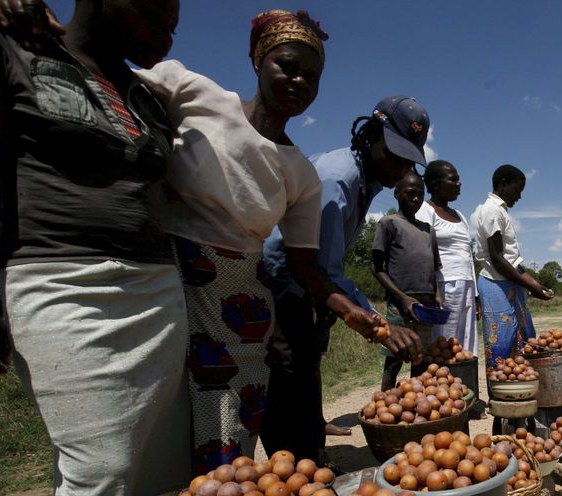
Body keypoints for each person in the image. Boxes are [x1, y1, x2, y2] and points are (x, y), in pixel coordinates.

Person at [0, 1, 187, 496]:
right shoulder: (4, 39)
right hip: (64, 281)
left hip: (154, 289)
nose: (168, 31)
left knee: (141, 466)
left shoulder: (141, 94)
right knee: (99, 468)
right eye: (156, 12)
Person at [130, 10, 384, 471]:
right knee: (147, 436)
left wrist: (355, 314)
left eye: (312, 75)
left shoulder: (300, 173)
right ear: (257, 60)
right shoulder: (195, 94)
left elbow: (306, 267)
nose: (298, 81)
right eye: (286, 65)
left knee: (227, 445)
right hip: (166, 288)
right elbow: (107, 80)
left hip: (241, 312)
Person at [261, 96, 431, 462]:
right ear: (371, 137)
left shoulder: (366, 181)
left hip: (311, 287)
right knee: (288, 378)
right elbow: (318, 266)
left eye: (407, 159)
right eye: (394, 154)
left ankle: (311, 457)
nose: (400, 168)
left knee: (306, 370)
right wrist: (378, 322)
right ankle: (291, 474)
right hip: (285, 286)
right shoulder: (340, 177)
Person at [471, 164, 553, 367]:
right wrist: (530, 286)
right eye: (517, 191)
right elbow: (498, 259)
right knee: (502, 343)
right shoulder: (491, 211)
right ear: (503, 184)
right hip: (495, 283)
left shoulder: (500, 211)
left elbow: (512, 259)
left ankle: (521, 389)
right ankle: (501, 393)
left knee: (523, 339)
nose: (519, 197)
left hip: (509, 282)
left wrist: (534, 283)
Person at [373, 171, 443, 389]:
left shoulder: (427, 230)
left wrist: (438, 294)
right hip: (400, 305)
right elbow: (377, 268)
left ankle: (416, 410)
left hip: (426, 306)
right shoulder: (389, 223)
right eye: (410, 193)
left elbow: (434, 268)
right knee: (394, 357)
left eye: (419, 194)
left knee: (421, 359)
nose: (415, 199)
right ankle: (386, 399)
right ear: (397, 194)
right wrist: (402, 297)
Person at [416, 160, 480, 356]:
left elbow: (467, 255)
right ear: (435, 184)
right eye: (453, 179)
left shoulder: (459, 215)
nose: (459, 184)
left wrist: (475, 295)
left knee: (466, 342)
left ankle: (465, 383)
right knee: (444, 342)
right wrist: (434, 289)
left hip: (466, 284)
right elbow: (423, 253)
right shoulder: (425, 211)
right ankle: (444, 382)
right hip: (445, 285)